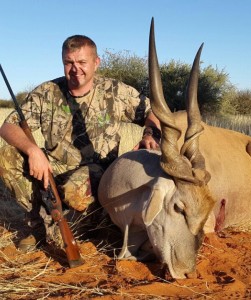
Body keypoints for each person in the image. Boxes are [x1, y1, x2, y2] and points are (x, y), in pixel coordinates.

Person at [0, 35, 161, 251]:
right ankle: (36, 228)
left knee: (72, 191)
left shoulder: (116, 91)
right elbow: (7, 126)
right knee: (6, 156)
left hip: (100, 171)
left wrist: (150, 134)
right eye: (69, 62)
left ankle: (95, 223)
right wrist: (32, 150)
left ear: (96, 62)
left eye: (82, 62)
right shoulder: (46, 92)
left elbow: (152, 112)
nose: (76, 69)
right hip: (54, 166)